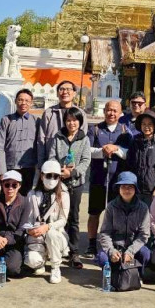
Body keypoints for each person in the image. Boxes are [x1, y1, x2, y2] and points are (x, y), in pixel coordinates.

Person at [86, 99, 131, 257]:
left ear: (120, 113)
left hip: (117, 180)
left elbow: (129, 152)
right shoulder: (95, 129)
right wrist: (102, 150)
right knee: (94, 212)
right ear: (104, 111)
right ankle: (92, 244)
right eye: (109, 110)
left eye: (115, 111)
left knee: (117, 213)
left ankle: (114, 244)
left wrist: (116, 149)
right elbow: (87, 150)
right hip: (98, 177)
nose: (111, 113)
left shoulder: (125, 131)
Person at [48, 107, 91, 269]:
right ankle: (58, 249)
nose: (71, 123)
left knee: (73, 217)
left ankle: (74, 251)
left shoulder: (84, 139)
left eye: (75, 120)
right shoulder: (58, 137)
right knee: (57, 216)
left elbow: (86, 161)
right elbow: (52, 156)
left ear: (80, 122)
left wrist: (72, 172)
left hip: (76, 184)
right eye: (68, 120)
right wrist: (60, 170)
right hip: (59, 183)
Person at [96, 171, 151, 280]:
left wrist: (131, 252)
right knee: (102, 258)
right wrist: (111, 251)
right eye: (123, 186)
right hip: (115, 246)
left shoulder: (143, 208)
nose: (127, 190)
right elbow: (105, 233)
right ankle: (112, 275)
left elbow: (144, 235)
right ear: (118, 189)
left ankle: (137, 274)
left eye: (130, 187)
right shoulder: (111, 207)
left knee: (146, 254)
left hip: (133, 247)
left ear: (135, 189)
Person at [23, 160, 70, 284]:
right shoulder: (32, 194)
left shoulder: (64, 194)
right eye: (49, 175)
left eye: (56, 176)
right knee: (31, 261)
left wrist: (48, 227)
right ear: (42, 175)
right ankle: (41, 261)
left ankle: (55, 267)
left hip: (56, 235)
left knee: (51, 233)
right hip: (37, 237)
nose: (52, 179)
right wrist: (30, 229)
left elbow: (63, 220)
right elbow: (27, 219)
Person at [0, 170, 28, 280]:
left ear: (19, 186)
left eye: (14, 185)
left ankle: (17, 261)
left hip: (14, 241)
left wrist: (6, 240)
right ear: (2, 185)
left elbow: (22, 228)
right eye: (7, 185)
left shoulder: (25, 203)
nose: (10, 188)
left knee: (12, 269)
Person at [36, 81, 88, 172]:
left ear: (74, 93)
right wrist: (41, 163)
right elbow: (41, 139)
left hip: (74, 165)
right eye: (61, 89)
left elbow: (82, 137)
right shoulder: (49, 112)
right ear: (57, 93)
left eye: (68, 89)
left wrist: (76, 168)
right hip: (51, 162)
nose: (65, 92)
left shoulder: (80, 113)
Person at [0, 88, 39, 195]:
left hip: (28, 168)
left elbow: (40, 144)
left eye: (27, 101)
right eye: (20, 100)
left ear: (31, 103)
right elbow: (0, 146)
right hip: (10, 166)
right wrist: (2, 171)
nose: (23, 103)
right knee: (6, 196)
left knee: (25, 197)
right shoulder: (6, 120)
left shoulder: (37, 121)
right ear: (15, 101)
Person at [124, 109, 155, 202]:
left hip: (152, 190)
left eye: (149, 124)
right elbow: (129, 164)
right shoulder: (135, 141)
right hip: (136, 189)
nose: (146, 127)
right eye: (143, 124)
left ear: (154, 126)